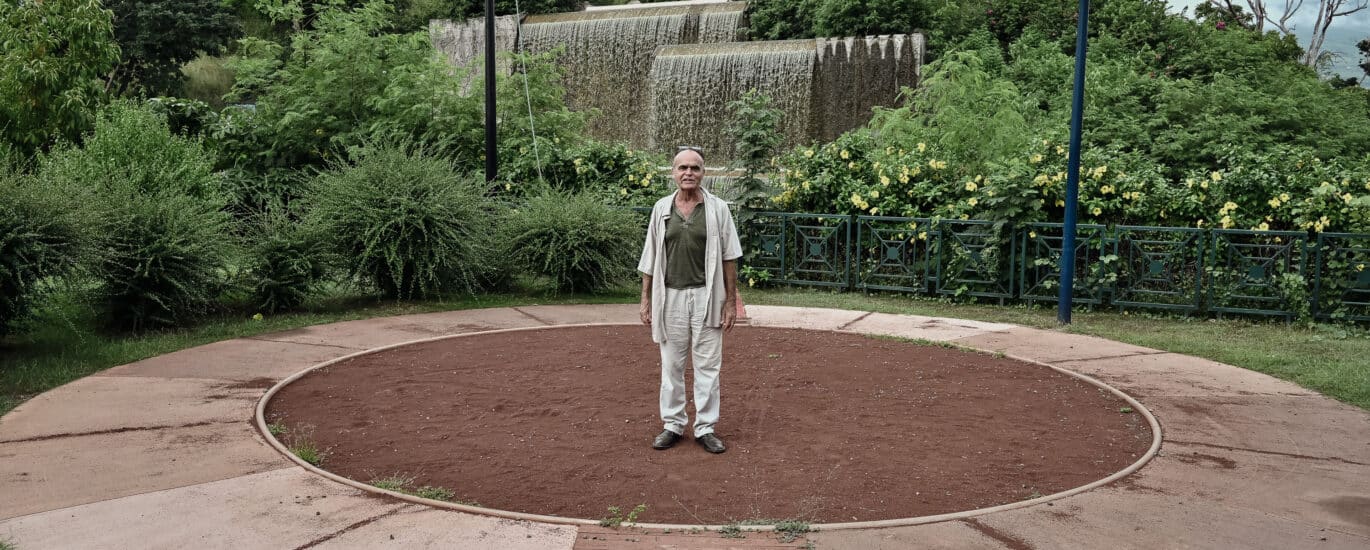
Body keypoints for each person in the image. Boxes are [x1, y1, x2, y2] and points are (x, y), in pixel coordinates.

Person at [637, 147, 742, 454]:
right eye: (682, 167)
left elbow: (730, 257)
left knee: (709, 366)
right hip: (669, 297)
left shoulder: (718, 209)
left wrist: (730, 301)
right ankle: (672, 424)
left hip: (707, 297)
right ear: (673, 172)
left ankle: (706, 427)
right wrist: (646, 300)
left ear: (703, 173)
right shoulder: (661, 208)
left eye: (694, 168)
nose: (688, 173)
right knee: (671, 365)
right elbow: (650, 257)